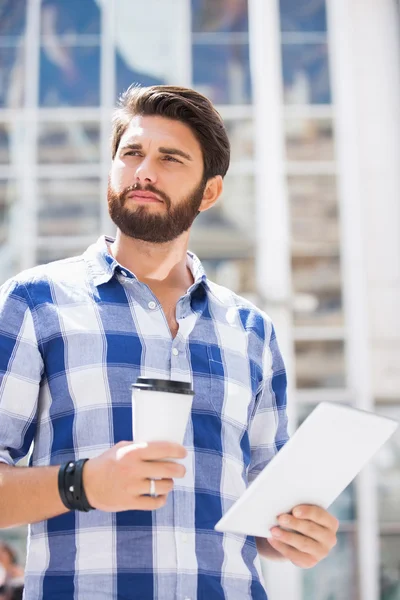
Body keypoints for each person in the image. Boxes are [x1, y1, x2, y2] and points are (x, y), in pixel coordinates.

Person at [0, 85, 338, 600]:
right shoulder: (34, 302)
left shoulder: (252, 331)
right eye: (131, 153)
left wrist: (295, 533)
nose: (144, 171)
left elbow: (263, 512)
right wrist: (83, 483)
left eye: (170, 158)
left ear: (209, 193)